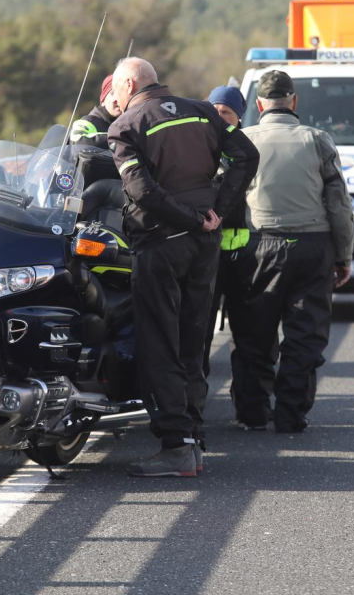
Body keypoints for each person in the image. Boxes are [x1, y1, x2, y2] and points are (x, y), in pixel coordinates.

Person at [107, 57, 259, 477]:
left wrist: (191, 218)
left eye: (116, 88)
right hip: (204, 244)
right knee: (193, 342)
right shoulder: (203, 111)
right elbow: (247, 156)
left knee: (159, 343)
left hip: (160, 243)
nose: (115, 97)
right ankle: (193, 440)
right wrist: (216, 210)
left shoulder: (125, 125)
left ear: (130, 84)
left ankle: (176, 446)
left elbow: (141, 190)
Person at [228, 70, 354, 434]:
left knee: (252, 333)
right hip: (312, 247)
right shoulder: (318, 140)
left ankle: (252, 413)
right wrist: (343, 256)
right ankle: (290, 414)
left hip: (258, 246)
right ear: (294, 101)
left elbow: (226, 198)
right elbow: (339, 205)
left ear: (259, 105)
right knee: (304, 334)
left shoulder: (243, 140)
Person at [201, 85, 252, 376]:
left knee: (246, 326)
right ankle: (198, 384)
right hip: (207, 251)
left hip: (244, 254)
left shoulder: (247, 150)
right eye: (215, 111)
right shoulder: (197, 146)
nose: (219, 117)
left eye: (226, 112)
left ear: (239, 117)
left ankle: (246, 394)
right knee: (202, 322)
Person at [71, 74, 122, 149]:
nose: (117, 99)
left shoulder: (131, 124)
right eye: (113, 93)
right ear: (103, 100)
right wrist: (122, 140)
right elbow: (78, 144)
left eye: (122, 94)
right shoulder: (87, 122)